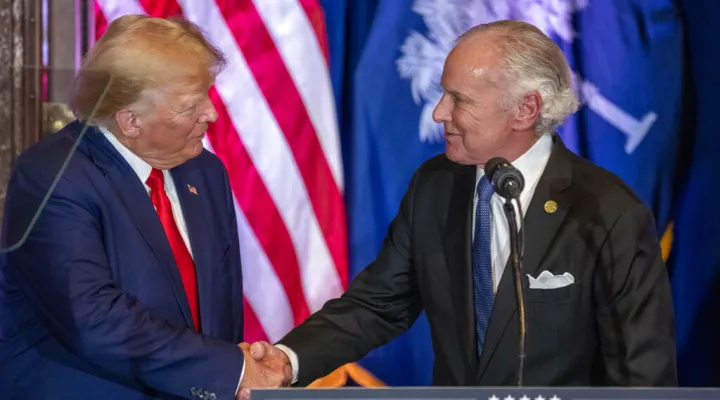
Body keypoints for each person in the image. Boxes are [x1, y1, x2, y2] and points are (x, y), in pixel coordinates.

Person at [248, 20, 678, 389]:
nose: (439, 113)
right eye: (443, 94)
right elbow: (378, 304)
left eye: (460, 100)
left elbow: (642, 375)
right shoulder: (435, 185)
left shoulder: (605, 210)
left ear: (525, 109)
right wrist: (287, 361)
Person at [0, 15, 289, 400]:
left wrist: (232, 374)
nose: (211, 113)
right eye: (190, 106)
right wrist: (231, 370)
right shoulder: (53, 178)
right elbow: (95, 320)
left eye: (207, 94)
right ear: (130, 121)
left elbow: (217, 309)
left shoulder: (204, 170)